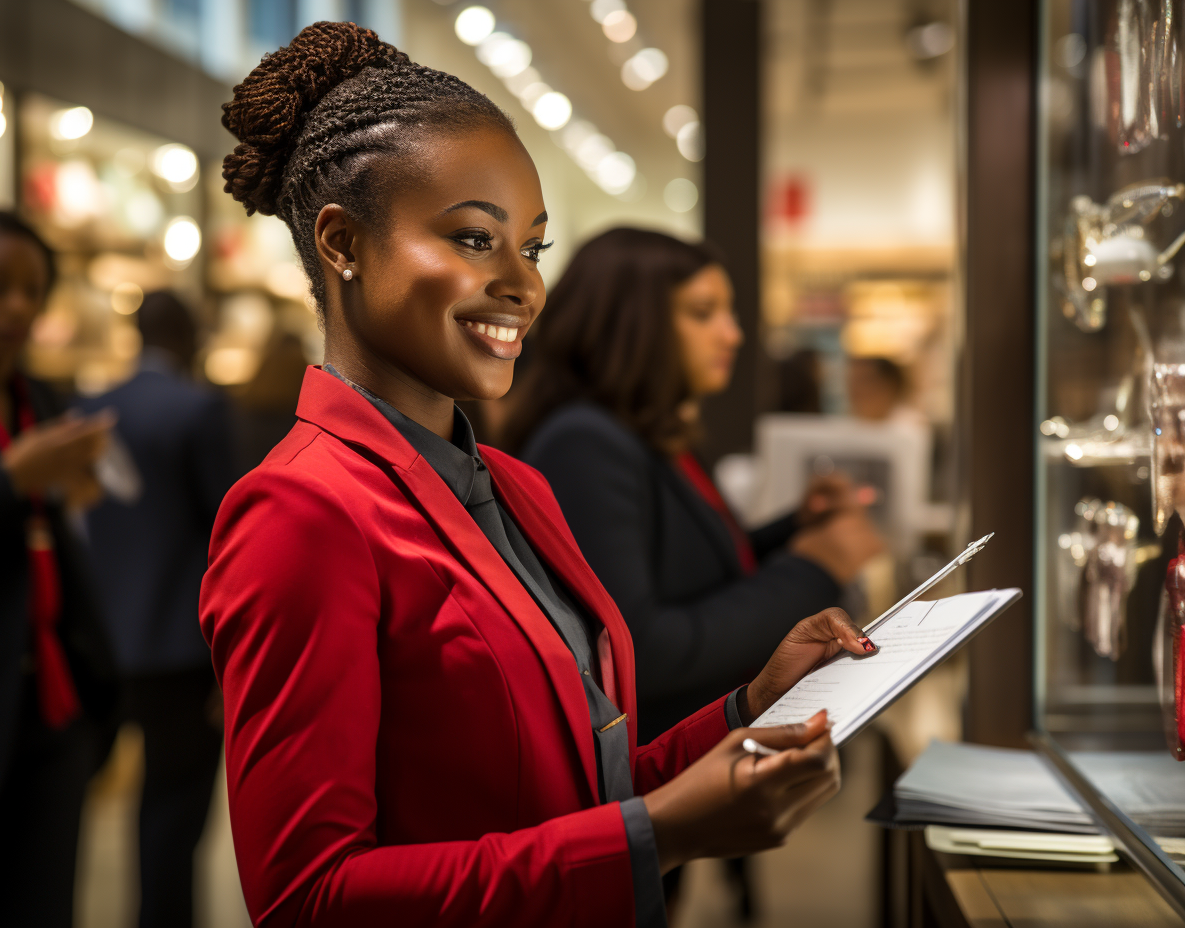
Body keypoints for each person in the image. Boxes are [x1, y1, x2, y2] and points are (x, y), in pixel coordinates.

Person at [201, 23, 878, 928]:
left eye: (534, 247)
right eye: (477, 241)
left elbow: (575, 790)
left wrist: (746, 707)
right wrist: (656, 839)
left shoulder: (516, 487)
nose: (525, 284)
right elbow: (307, 900)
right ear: (342, 244)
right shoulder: (299, 511)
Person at [505, 228, 885, 742]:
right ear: (633, 324)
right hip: (654, 768)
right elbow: (643, 648)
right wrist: (816, 566)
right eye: (703, 313)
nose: (732, 334)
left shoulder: (646, 432)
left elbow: (690, 572)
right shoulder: (584, 442)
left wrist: (795, 526)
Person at [0, 210, 118, 927]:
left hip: (54, 706)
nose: (17, 307)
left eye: (32, 290)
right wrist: (12, 480)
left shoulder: (40, 398)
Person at [78, 290, 235, 928]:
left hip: (100, 640)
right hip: (179, 643)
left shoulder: (89, 409)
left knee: (68, 815)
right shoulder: (200, 410)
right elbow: (228, 535)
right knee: (171, 815)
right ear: (190, 335)